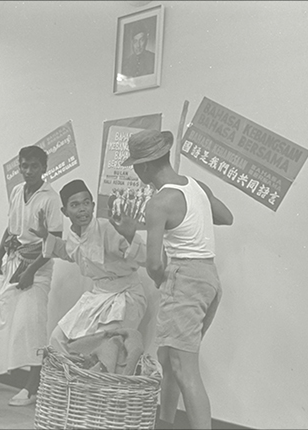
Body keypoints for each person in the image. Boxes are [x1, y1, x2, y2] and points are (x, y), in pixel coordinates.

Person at [120, 129, 233, 429]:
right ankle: (165, 424)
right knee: (168, 360)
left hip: (185, 278)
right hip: (208, 278)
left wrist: (163, 283)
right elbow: (226, 217)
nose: (134, 170)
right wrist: (197, 203)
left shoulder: (159, 202)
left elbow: (154, 264)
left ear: (143, 167)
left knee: (184, 369)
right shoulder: (198, 187)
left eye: (134, 165)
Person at [0, 145, 63, 407]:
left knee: (30, 325)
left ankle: (32, 387)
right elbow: (10, 226)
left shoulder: (51, 198)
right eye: (24, 166)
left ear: (44, 168)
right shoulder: (17, 191)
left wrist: (31, 271)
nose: (28, 171)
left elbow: (55, 243)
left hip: (36, 265)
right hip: (12, 259)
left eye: (34, 166)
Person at [28, 179, 148, 355]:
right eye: (75, 205)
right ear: (65, 211)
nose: (82, 209)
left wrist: (130, 236)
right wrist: (46, 236)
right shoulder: (75, 236)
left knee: (106, 344)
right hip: (98, 296)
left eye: (86, 203)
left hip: (125, 296)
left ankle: (99, 381)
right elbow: (69, 252)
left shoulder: (108, 227)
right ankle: (71, 380)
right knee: (57, 338)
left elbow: (143, 257)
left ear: (92, 205)